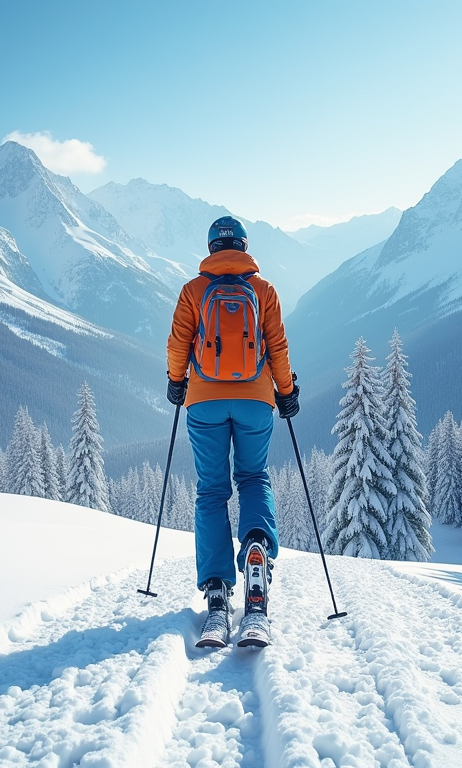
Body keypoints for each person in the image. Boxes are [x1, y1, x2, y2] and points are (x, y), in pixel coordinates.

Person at [166, 216, 299, 647]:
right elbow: (276, 345)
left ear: (210, 249)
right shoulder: (263, 290)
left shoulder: (193, 291)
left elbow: (178, 345)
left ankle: (219, 592)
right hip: (256, 400)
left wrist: (175, 381)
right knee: (254, 478)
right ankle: (257, 550)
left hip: (204, 400)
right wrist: (286, 391)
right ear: (243, 246)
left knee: (211, 491)